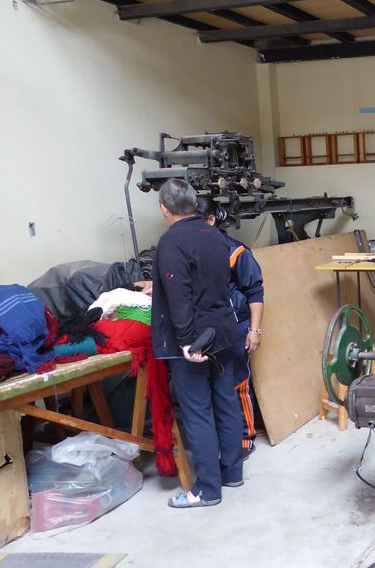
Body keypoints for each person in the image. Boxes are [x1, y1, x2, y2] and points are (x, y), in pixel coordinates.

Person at [151, 178, 243, 508]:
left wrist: (187, 342)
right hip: (224, 331)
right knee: (226, 401)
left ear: (164, 209)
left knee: (197, 411)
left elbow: (179, 297)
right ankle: (232, 472)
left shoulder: (171, 242)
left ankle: (206, 489)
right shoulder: (215, 235)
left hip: (195, 341)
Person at [197, 198, 264, 458]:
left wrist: (254, 330)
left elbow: (255, 292)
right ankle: (219, 437)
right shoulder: (189, 251)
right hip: (204, 331)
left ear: (211, 220)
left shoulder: (236, 252)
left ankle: (245, 437)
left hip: (236, 328)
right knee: (210, 388)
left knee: (238, 382)